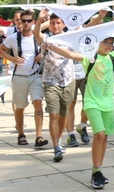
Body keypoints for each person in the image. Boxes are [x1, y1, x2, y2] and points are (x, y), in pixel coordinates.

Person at [44, 22, 114, 189]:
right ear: (98, 42)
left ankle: (98, 170)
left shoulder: (113, 57)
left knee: (105, 138)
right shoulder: (89, 57)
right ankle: (96, 171)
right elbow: (69, 54)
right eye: (106, 42)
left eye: (112, 43)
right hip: (92, 103)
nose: (109, 46)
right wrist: (50, 45)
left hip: (108, 104)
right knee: (100, 135)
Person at [0, 9, 48, 148]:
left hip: (35, 75)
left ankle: (39, 136)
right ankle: (21, 134)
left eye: (28, 21)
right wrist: (13, 59)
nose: (25, 23)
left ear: (33, 22)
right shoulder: (14, 38)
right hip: (19, 76)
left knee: (38, 103)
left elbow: (49, 50)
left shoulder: (39, 37)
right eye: (23, 20)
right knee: (20, 107)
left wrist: (42, 55)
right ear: (19, 22)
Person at [34, 10, 76, 162]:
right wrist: (39, 19)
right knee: (54, 114)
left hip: (69, 80)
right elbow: (36, 33)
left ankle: (58, 140)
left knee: (63, 114)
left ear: (63, 24)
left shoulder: (71, 38)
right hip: (51, 81)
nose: (55, 25)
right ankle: (56, 147)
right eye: (52, 23)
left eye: (58, 23)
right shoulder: (46, 39)